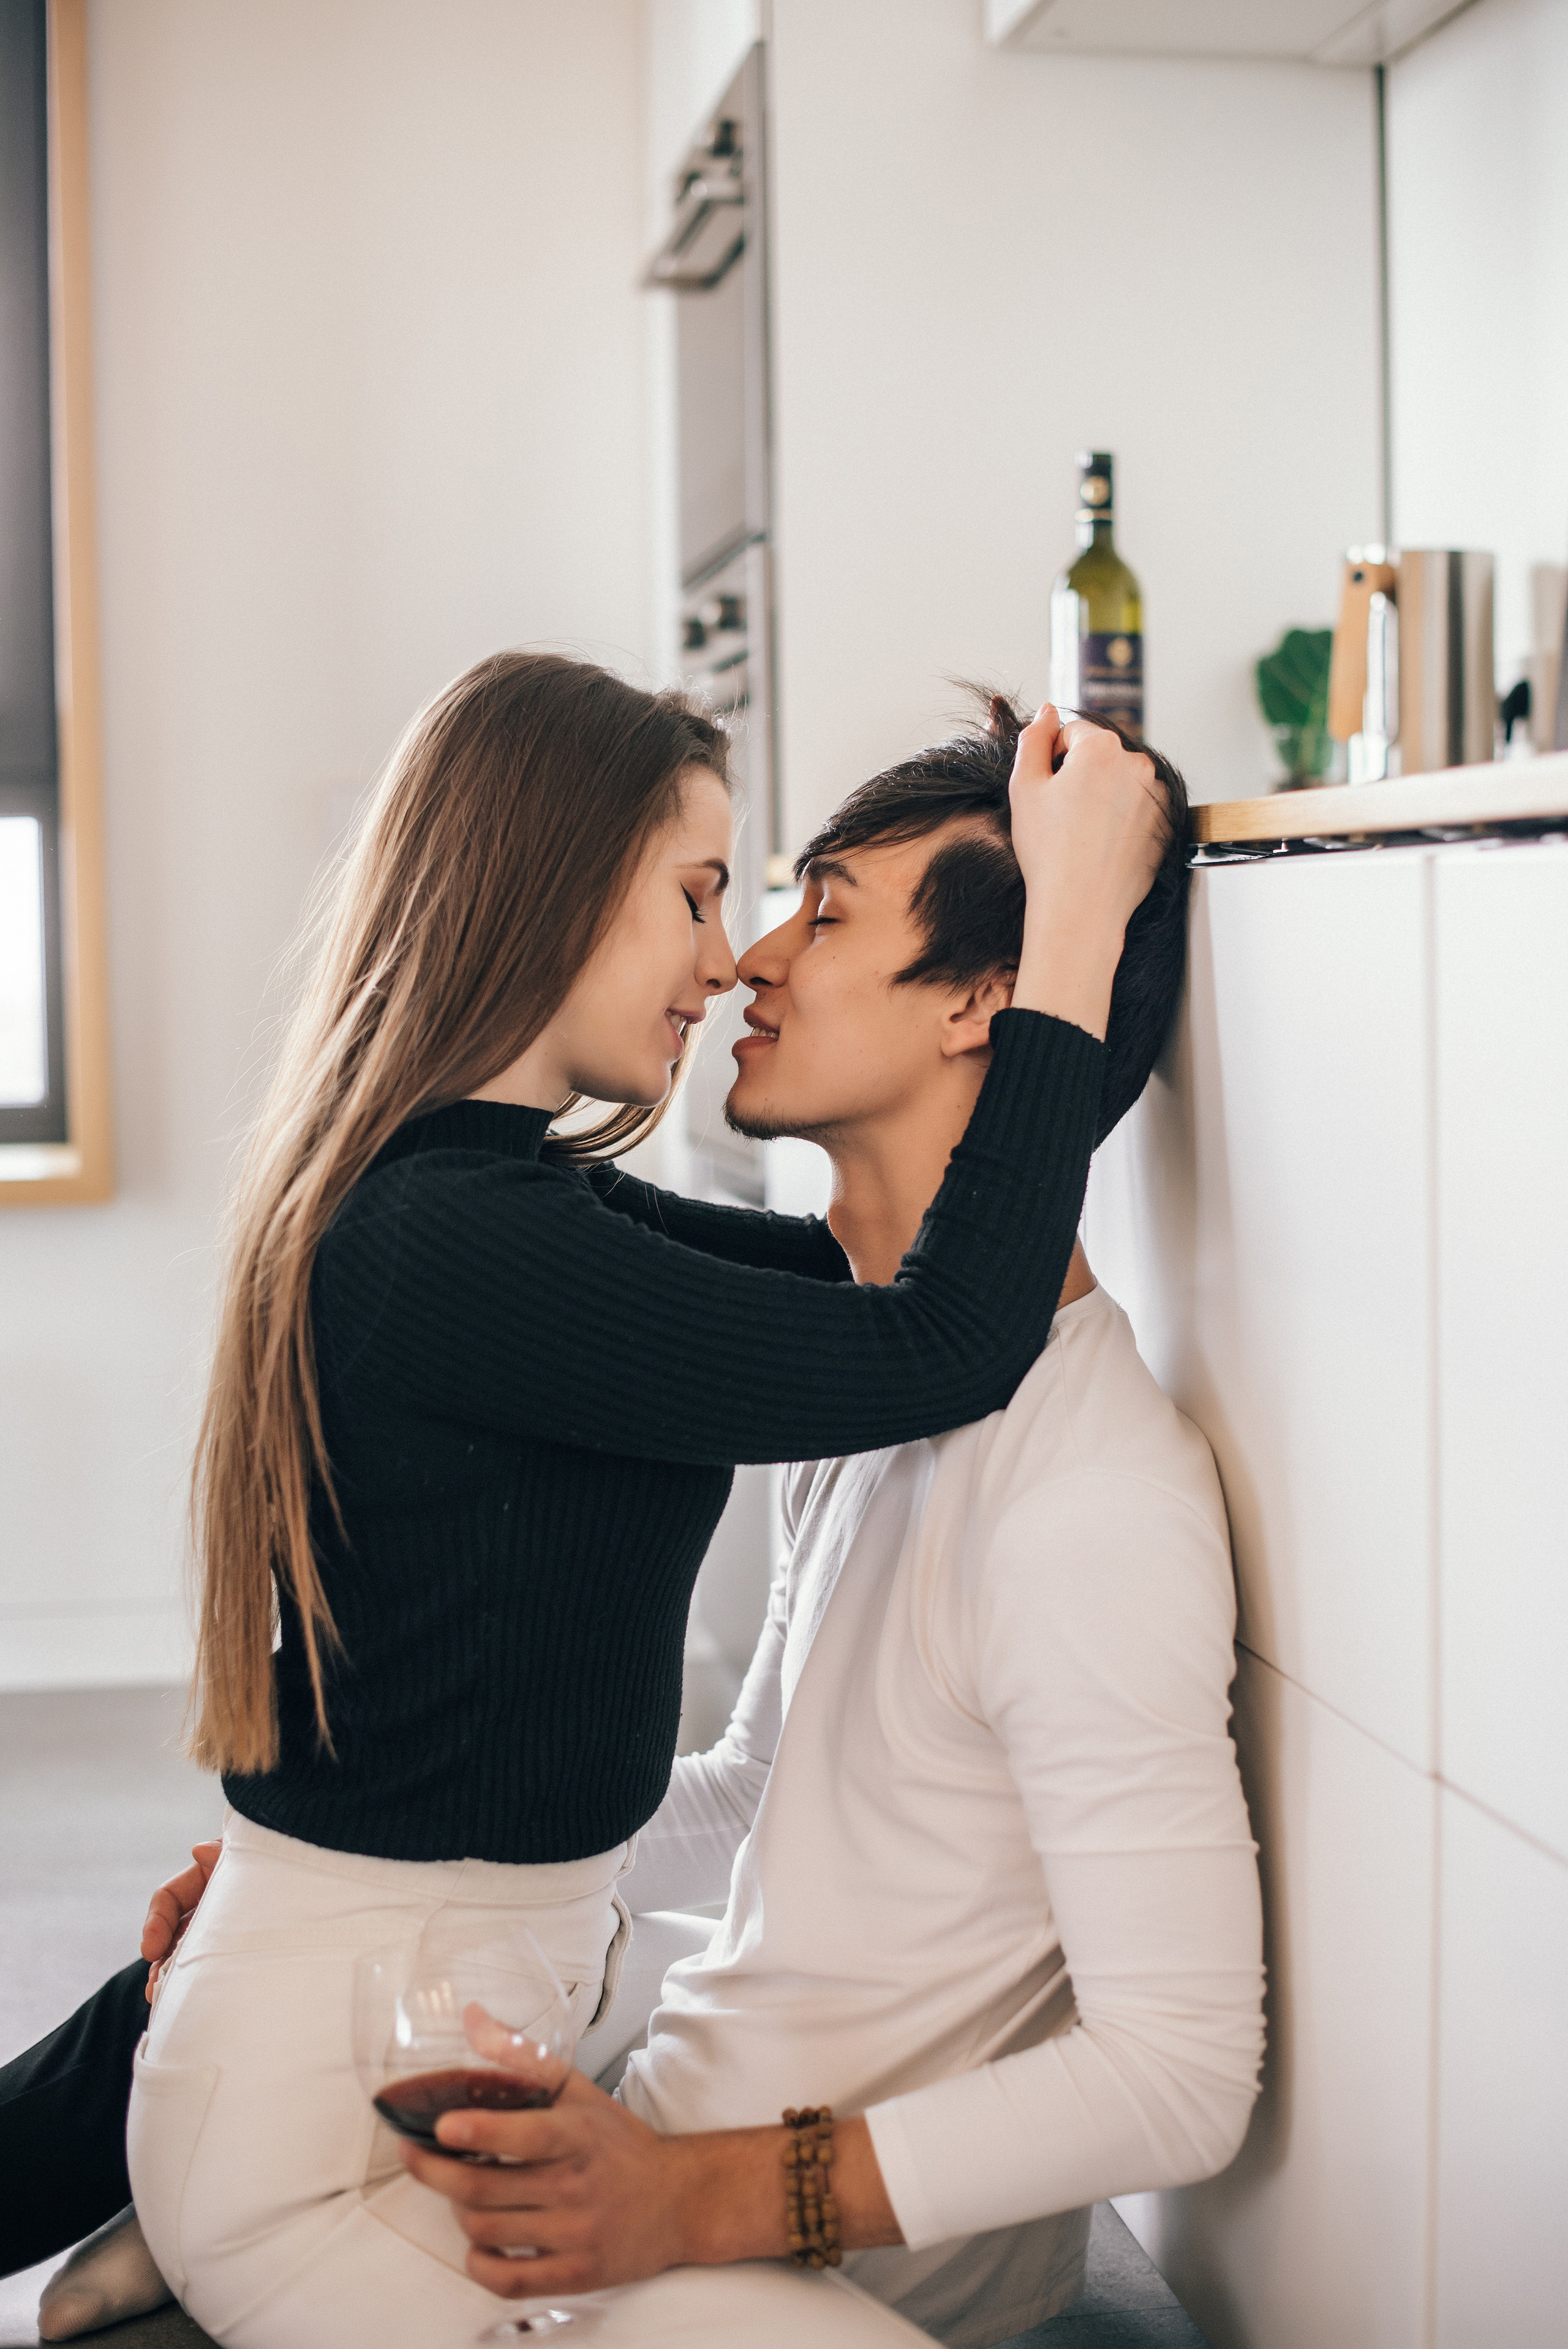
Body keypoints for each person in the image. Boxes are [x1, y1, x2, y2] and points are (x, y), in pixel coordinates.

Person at [8, 694, 1260, 2349]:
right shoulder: (484, 1236)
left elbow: (920, 1322)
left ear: (983, 1002)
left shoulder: (1065, 1482)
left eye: (814, 911)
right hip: (365, 2105)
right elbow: (940, 1325)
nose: (742, 961)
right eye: (710, 895)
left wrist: (330, 1874)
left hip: (522, 2087)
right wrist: (309, 1887)